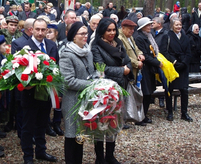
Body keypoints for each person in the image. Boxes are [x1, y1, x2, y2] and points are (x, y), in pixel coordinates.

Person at [91, 18, 133, 164]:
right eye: (108, 30)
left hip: (120, 88)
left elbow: (128, 60)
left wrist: (127, 69)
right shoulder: (96, 46)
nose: (112, 33)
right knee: (101, 124)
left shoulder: (118, 43)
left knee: (114, 123)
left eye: (114, 30)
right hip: (104, 90)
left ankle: (110, 155)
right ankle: (99, 157)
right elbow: (100, 68)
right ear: (102, 30)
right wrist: (122, 71)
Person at [19, 19, 58, 164]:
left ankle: (41, 151)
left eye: (43, 30)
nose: (40, 32)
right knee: (28, 127)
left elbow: (56, 67)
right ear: (32, 30)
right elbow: (17, 69)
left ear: (47, 30)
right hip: (29, 93)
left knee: (42, 124)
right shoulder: (22, 45)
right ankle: (28, 156)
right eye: (38, 29)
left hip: (46, 93)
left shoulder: (52, 45)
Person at [59, 21, 94, 164]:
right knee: (71, 135)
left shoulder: (87, 51)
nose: (85, 36)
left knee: (81, 135)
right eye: (82, 33)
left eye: (86, 33)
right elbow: (68, 81)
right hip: (72, 100)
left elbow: (90, 73)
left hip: (85, 100)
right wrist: (92, 84)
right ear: (74, 36)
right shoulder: (67, 55)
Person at [159, 18, 192, 122]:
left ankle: (184, 112)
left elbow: (188, 52)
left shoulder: (185, 37)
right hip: (172, 66)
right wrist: (174, 62)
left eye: (180, 25)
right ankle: (169, 111)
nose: (178, 27)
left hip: (183, 66)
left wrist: (184, 63)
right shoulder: (167, 36)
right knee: (169, 89)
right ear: (172, 25)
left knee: (184, 90)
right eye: (176, 25)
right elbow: (164, 51)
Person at [135, 17, 162, 126]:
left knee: (148, 94)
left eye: (150, 24)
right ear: (142, 27)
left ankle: (144, 115)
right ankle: (139, 117)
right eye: (148, 25)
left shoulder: (150, 36)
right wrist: (157, 62)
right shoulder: (139, 38)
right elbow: (145, 55)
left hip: (150, 69)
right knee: (144, 94)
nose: (150, 26)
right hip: (144, 69)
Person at [151, 17, 169, 108]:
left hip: (162, 60)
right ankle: (152, 98)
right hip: (153, 59)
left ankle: (162, 99)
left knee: (162, 80)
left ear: (159, 24)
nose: (152, 24)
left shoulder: (165, 33)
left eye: (153, 23)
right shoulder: (151, 33)